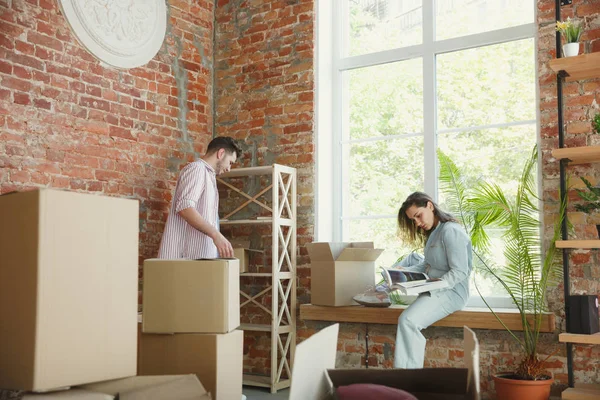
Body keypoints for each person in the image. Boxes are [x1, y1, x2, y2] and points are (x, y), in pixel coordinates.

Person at [393, 191, 472, 369]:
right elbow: (426, 266)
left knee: (408, 321)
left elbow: (460, 272)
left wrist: (432, 285)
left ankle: (407, 382)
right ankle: (405, 381)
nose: (418, 223)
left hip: (453, 292)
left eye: (418, 216)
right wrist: (403, 272)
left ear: (430, 205)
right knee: (407, 320)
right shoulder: (434, 233)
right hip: (435, 288)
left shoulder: (451, 231)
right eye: (413, 220)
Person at [158, 136, 242, 260]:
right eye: (230, 162)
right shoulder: (197, 169)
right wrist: (216, 235)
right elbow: (185, 208)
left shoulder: (208, 175)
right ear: (221, 153)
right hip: (184, 260)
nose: (229, 168)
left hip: (196, 260)